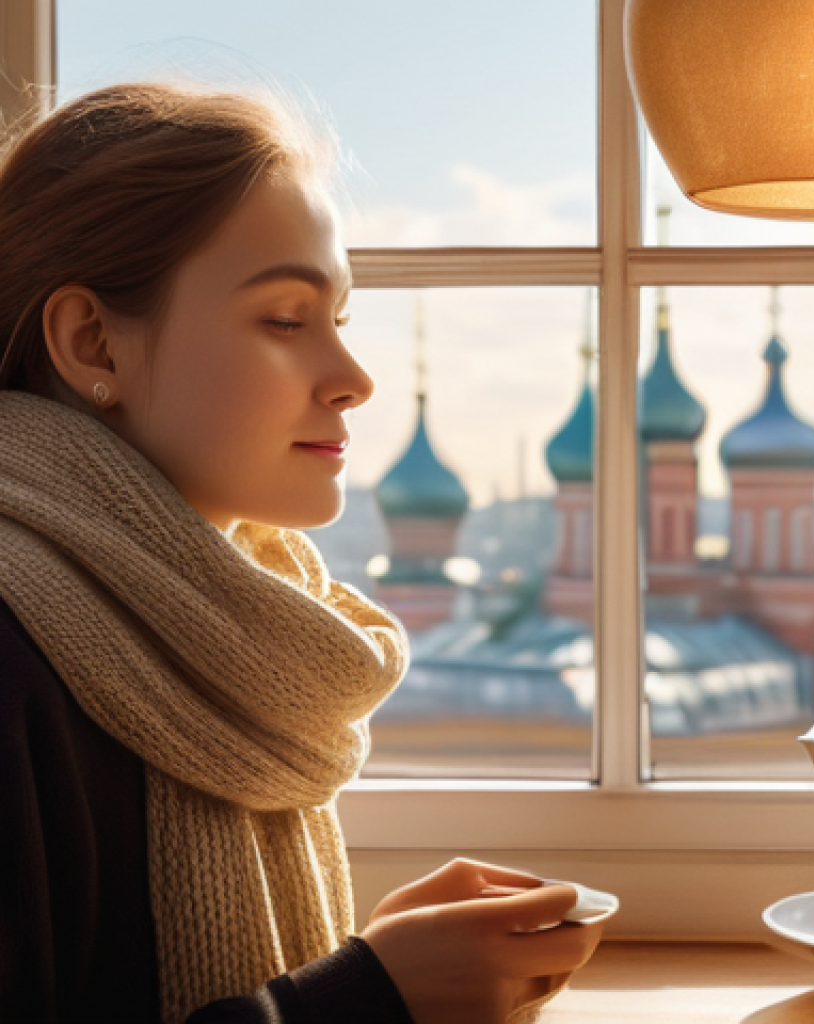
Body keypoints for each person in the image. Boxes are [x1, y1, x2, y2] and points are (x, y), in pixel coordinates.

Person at [0, 80, 611, 1024]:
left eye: (342, 321)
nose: (354, 378)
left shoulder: (237, 643)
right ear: (95, 344)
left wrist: (361, 963)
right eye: (287, 319)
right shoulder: (12, 653)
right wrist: (366, 998)